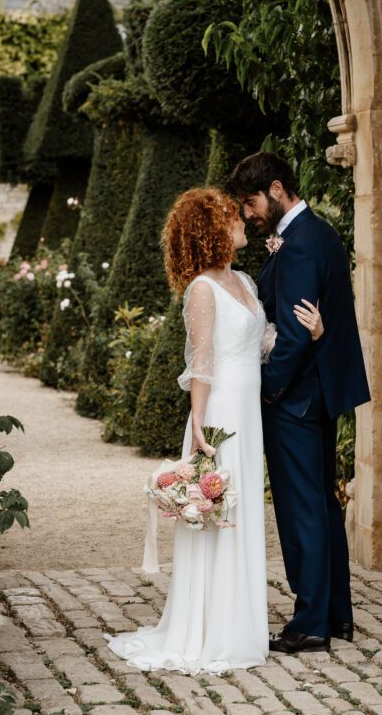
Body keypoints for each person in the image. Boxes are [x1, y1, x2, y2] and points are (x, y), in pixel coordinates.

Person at [106, 187, 323, 674]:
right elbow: (201, 363)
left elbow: (262, 343)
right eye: (231, 216)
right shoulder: (201, 289)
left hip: (250, 413)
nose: (242, 220)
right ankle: (212, 630)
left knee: (244, 513)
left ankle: (239, 623)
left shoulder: (243, 279)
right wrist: (199, 427)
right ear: (213, 230)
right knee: (220, 516)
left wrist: (311, 332)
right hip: (222, 414)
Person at [226, 153, 371, 655]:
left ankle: (310, 623)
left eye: (250, 203)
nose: (248, 214)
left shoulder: (301, 246)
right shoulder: (317, 233)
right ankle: (335, 615)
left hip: (296, 401)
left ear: (277, 188)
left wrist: (265, 392)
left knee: (301, 509)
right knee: (324, 506)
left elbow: (291, 337)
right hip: (319, 393)